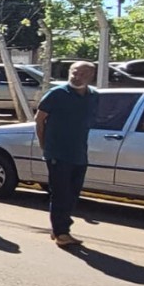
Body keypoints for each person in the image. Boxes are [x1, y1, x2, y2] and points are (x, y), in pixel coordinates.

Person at [35, 60, 99, 247]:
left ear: (90, 76)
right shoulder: (57, 94)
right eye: (75, 73)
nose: (77, 77)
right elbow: (39, 120)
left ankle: (60, 229)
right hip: (57, 152)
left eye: (82, 74)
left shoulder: (93, 96)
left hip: (79, 153)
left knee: (72, 194)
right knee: (61, 193)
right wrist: (44, 146)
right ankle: (61, 232)